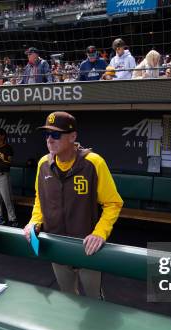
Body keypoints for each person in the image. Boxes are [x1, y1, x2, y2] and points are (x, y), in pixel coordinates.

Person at [23, 112, 123, 298]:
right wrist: (34, 221)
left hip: (87, 247)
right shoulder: (43, 163)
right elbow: (40, 198)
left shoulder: (93, 162)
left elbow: (113, 203)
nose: (49, 140)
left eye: (56, 135)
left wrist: (100, 233)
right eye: (47, 135)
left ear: (73, 136)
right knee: (67, 295)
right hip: (57, 244)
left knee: (94, 297)